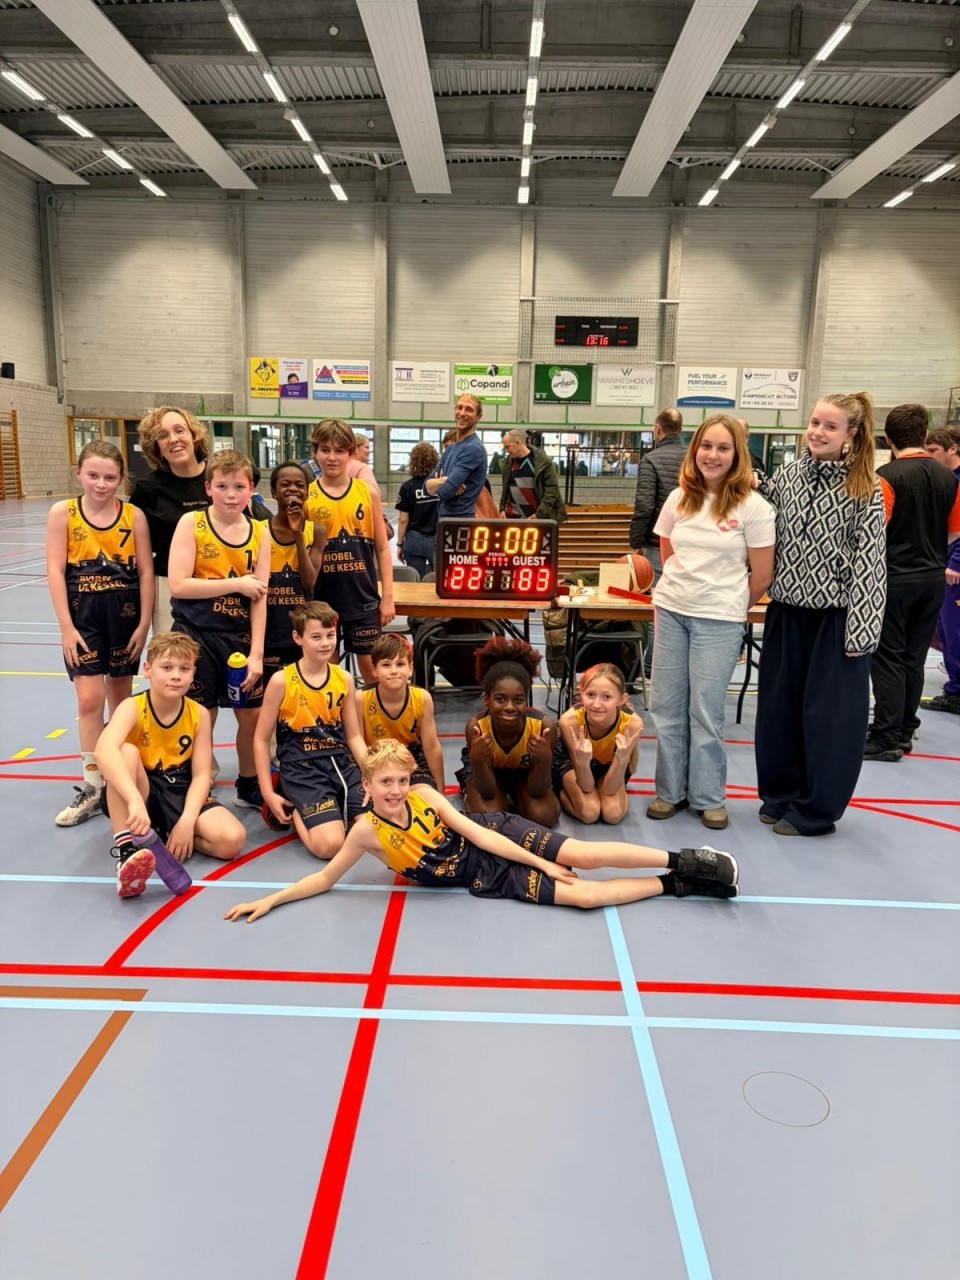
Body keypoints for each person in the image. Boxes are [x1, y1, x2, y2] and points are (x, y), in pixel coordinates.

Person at [224, 740, 740, 923]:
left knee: (580, 856)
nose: (396, 790)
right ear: (367, 785)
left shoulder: (424, 796)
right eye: (386, 783)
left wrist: (539, 859)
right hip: (481, 874)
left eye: (402, 780)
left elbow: (479, 834)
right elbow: (324, 879)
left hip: (493, 834)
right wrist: (270, 900)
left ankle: (684, 858)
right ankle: (676, 885)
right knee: (584, 899)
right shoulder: (364, 832)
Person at [755, 393, 887, 837]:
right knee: (778, 711)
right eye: (814, 422)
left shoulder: (865, 487)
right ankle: (779, 794)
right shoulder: (788, 475)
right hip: (786, 613)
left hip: (837, 620)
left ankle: (816, 810)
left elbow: (871, 562)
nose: (817, 432)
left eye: (830, 426)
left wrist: (861, 632)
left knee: (828, 720)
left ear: (851, 434)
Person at [648, 416, 775, 831]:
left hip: (719, 620)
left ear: (737, 454)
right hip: (672, 612)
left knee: (705, 711)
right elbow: (668, 554)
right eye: (706, 446)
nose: (712, 455)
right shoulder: (678, 498)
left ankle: (708, 797)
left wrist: (730, 606)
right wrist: (683, 593)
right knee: (667, 707)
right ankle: (670, 792)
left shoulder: (754, 507)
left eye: (723, 448)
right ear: (694, 450)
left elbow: (762, 575)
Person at [45, 441, 155, 827]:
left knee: (120, 700)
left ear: (121, 478)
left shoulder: (133, 516)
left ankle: (117, 781)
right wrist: (65, 627)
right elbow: (55, 570)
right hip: (83, 617)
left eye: (110, 477)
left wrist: (144, 624)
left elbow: (145, 572)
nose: (101, 484)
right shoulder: (63, 513)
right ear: (78, 473)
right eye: (93, 475)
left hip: (124, 615)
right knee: (89, 700)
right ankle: (92, 786)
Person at [95, 631, 245, 896]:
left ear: (193, 673)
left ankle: (162, 837)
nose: (176, 675)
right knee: (126, 752)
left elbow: (201, 775)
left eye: (184, 669)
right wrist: (134, 800)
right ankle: (126, 849)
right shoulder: (132, 707)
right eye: (167, 667)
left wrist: (187, 821)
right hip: (140, 788)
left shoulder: (198, 713)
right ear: (147, 670)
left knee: (232, 840)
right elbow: (102, 751)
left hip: (179, 787)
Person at [168, 449, 270, 809]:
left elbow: (259, 597)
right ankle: (195, 784)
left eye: (239, 487)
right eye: (222, 486)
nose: (230, 495)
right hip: (195, 635)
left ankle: (248, 783)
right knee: (200, 716)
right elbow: (179, 585)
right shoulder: (191, 523)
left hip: (238, 638)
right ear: (208, 488)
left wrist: (257, 653)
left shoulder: (260, 532)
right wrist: (237, 583)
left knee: (251, 715)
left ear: (251, 489)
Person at [864, 404, 960, 759]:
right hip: (933, 578)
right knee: (914, 657)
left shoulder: (885, 476)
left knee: (888, 657)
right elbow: (954, 533)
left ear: (888, 439)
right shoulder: (949, 478)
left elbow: (876, 531)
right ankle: (905, 729)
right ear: (925, 435)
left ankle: (886, 735)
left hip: (894, 578)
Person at [254, 601, 368, 859]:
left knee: (376, 826)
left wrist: (371, 773)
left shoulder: (344, 679)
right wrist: (267, 793)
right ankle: (297, 808)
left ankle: (335, 809)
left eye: (330, 635)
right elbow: (260, 740)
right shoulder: (282, 681)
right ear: (298, 638)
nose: (325, 643)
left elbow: (354, 736)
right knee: (330, 846)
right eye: (316, 637)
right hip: (303, 770)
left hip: (341, 765)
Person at [303, 419, 395, 686]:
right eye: (325, 450)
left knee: (372, 676)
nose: (332, 457)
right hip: (321, 601)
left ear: (351, 454)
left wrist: (387, 597)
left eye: (339, 450)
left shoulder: (367, 493)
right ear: (315, 452)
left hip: (362, 599)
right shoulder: (308, 496)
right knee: (327, 677)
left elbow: (382, 548)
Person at [458, 638, 560, 827]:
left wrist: (545, 759)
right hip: (488, 776)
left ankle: (517, 794)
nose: (510, 707)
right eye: (500, 699)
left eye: (518, 700)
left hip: (525, 776)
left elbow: (537, 790)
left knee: (544, 817)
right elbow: (487, 791)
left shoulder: (543, 727)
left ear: (526, 701)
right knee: (490, 821)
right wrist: (478, 759)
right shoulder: (477, 727)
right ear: (487, 701)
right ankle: (469, 794)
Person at [129, 406, 211, 634]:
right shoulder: (147, 490)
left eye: (180, 430)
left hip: (218, 582)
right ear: (156, 446)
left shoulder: (220, 477)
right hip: (168, 587)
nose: (173, 439)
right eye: (163, 435)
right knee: (170, 652)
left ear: (194, 435)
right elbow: (137, 552)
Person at [553, 664, 644, 825]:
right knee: (590, 813)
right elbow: (586, 787)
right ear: (581, 693)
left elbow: (609, 790)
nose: (596, 704)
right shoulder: (569, 721)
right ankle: (563, 792)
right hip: (575, 768)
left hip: (609, 766)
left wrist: (621, 759)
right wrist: (582, 762)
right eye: (590, 695)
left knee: (612, 815)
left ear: (621, 699)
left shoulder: (632, 724)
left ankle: (611, 793)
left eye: (606, 697)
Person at [262, 462, 326, 682]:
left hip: (302, 629)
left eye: (299, 485)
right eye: (285, 484)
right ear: (273, 492)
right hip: (269, 630)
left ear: (306, 493)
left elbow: (309, 582)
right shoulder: (258, 530)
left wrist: (298, 534)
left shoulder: (316, 531)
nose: (293, 489)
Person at [357, 634, 444, 790]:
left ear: (410, 668)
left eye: (400, 664)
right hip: (373, 757)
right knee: (372, 798)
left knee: (427, 798)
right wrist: (371, 771)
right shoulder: (361, 698)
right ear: (374, 669)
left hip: (409, 757)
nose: (394, 671)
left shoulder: (422, 698)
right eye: (386, 665)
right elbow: (356, 742)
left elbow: (432, 748)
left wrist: (441, 790)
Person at [924, 426, 960, 715]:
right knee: (944, 632)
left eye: (933, 451)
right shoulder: (945, 480)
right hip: (941, 564)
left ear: (953, 449)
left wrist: (956, 562)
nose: (929, 456)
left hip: (954, 571)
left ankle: (957, 692)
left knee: (954, 631)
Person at [628, 408, 686, 577]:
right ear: (680, 430)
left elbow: (644, 506)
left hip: (658, 544)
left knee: (657, 591)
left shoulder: (650, 460)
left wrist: (636, 542)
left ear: (657, 429)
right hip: (690, 543)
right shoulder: (695, 457)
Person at [424, 395, 489, 518]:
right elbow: (425, 488)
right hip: (444, 519)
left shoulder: (473, 448)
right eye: (459, 407)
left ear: (478, 417)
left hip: (460, 522)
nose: (462, 413)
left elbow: (446, 492)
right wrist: (445, 481)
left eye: (469, 409)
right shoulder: (450, 449)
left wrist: (439, 485)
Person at [496, 430, 567, 523]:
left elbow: (552, 491)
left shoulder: (542, 461)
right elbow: (505, 488)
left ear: (518, 443)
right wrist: (502, 509)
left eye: (508, 447)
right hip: (512, 518)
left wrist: (539, 514)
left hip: (535, 519)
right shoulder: (508, 463)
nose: (506, 451)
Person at [395, 442, 440, 578]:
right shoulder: (440, 485)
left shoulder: (407, 487)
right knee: (438, 579)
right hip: (436, 538)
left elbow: (403, 520)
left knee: (415, 579)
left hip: (414, 539)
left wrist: (400, 544)